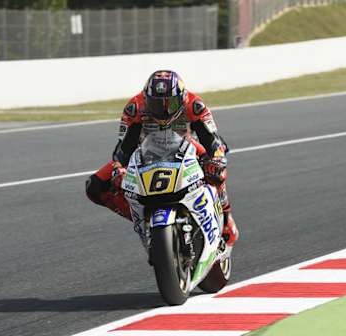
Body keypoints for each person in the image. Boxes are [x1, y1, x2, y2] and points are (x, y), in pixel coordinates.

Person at [85, 70, 239, 246]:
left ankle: (226, 217)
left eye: (171, 104)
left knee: (216, 169)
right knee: (94, 186)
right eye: (156, 104)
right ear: (146, 99)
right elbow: (123, 149)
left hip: (188, 148)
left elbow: (213, 141)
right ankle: (141, 215)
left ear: (181, 99)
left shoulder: (194, 105)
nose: (164, 110)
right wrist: (119, 169)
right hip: (145, 153)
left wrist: (216, 159)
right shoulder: (134, 108)